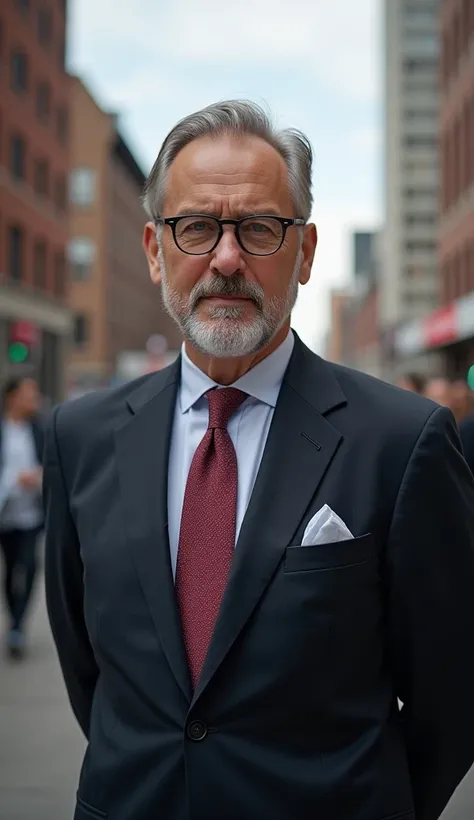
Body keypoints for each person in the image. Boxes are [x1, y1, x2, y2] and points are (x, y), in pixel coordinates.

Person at [44, 101, 474, 820]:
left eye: (260, 228)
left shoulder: (404, 442)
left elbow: (453, 691)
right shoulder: (80, 438)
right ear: (155, 250)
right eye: (197, 227)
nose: (227, 258)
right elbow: (92, 673)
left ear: (304, 253)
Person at [0, 375, 44, 657]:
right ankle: (14, 618)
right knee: (9, 570)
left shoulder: (39, 430)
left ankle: (17, 624)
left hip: (31, 515)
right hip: (4, 516)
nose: (34, 401)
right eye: (28, 395)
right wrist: (15, 479)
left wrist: (39, 476)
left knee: (28, 567)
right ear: (12, 397)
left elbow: (50, 464)